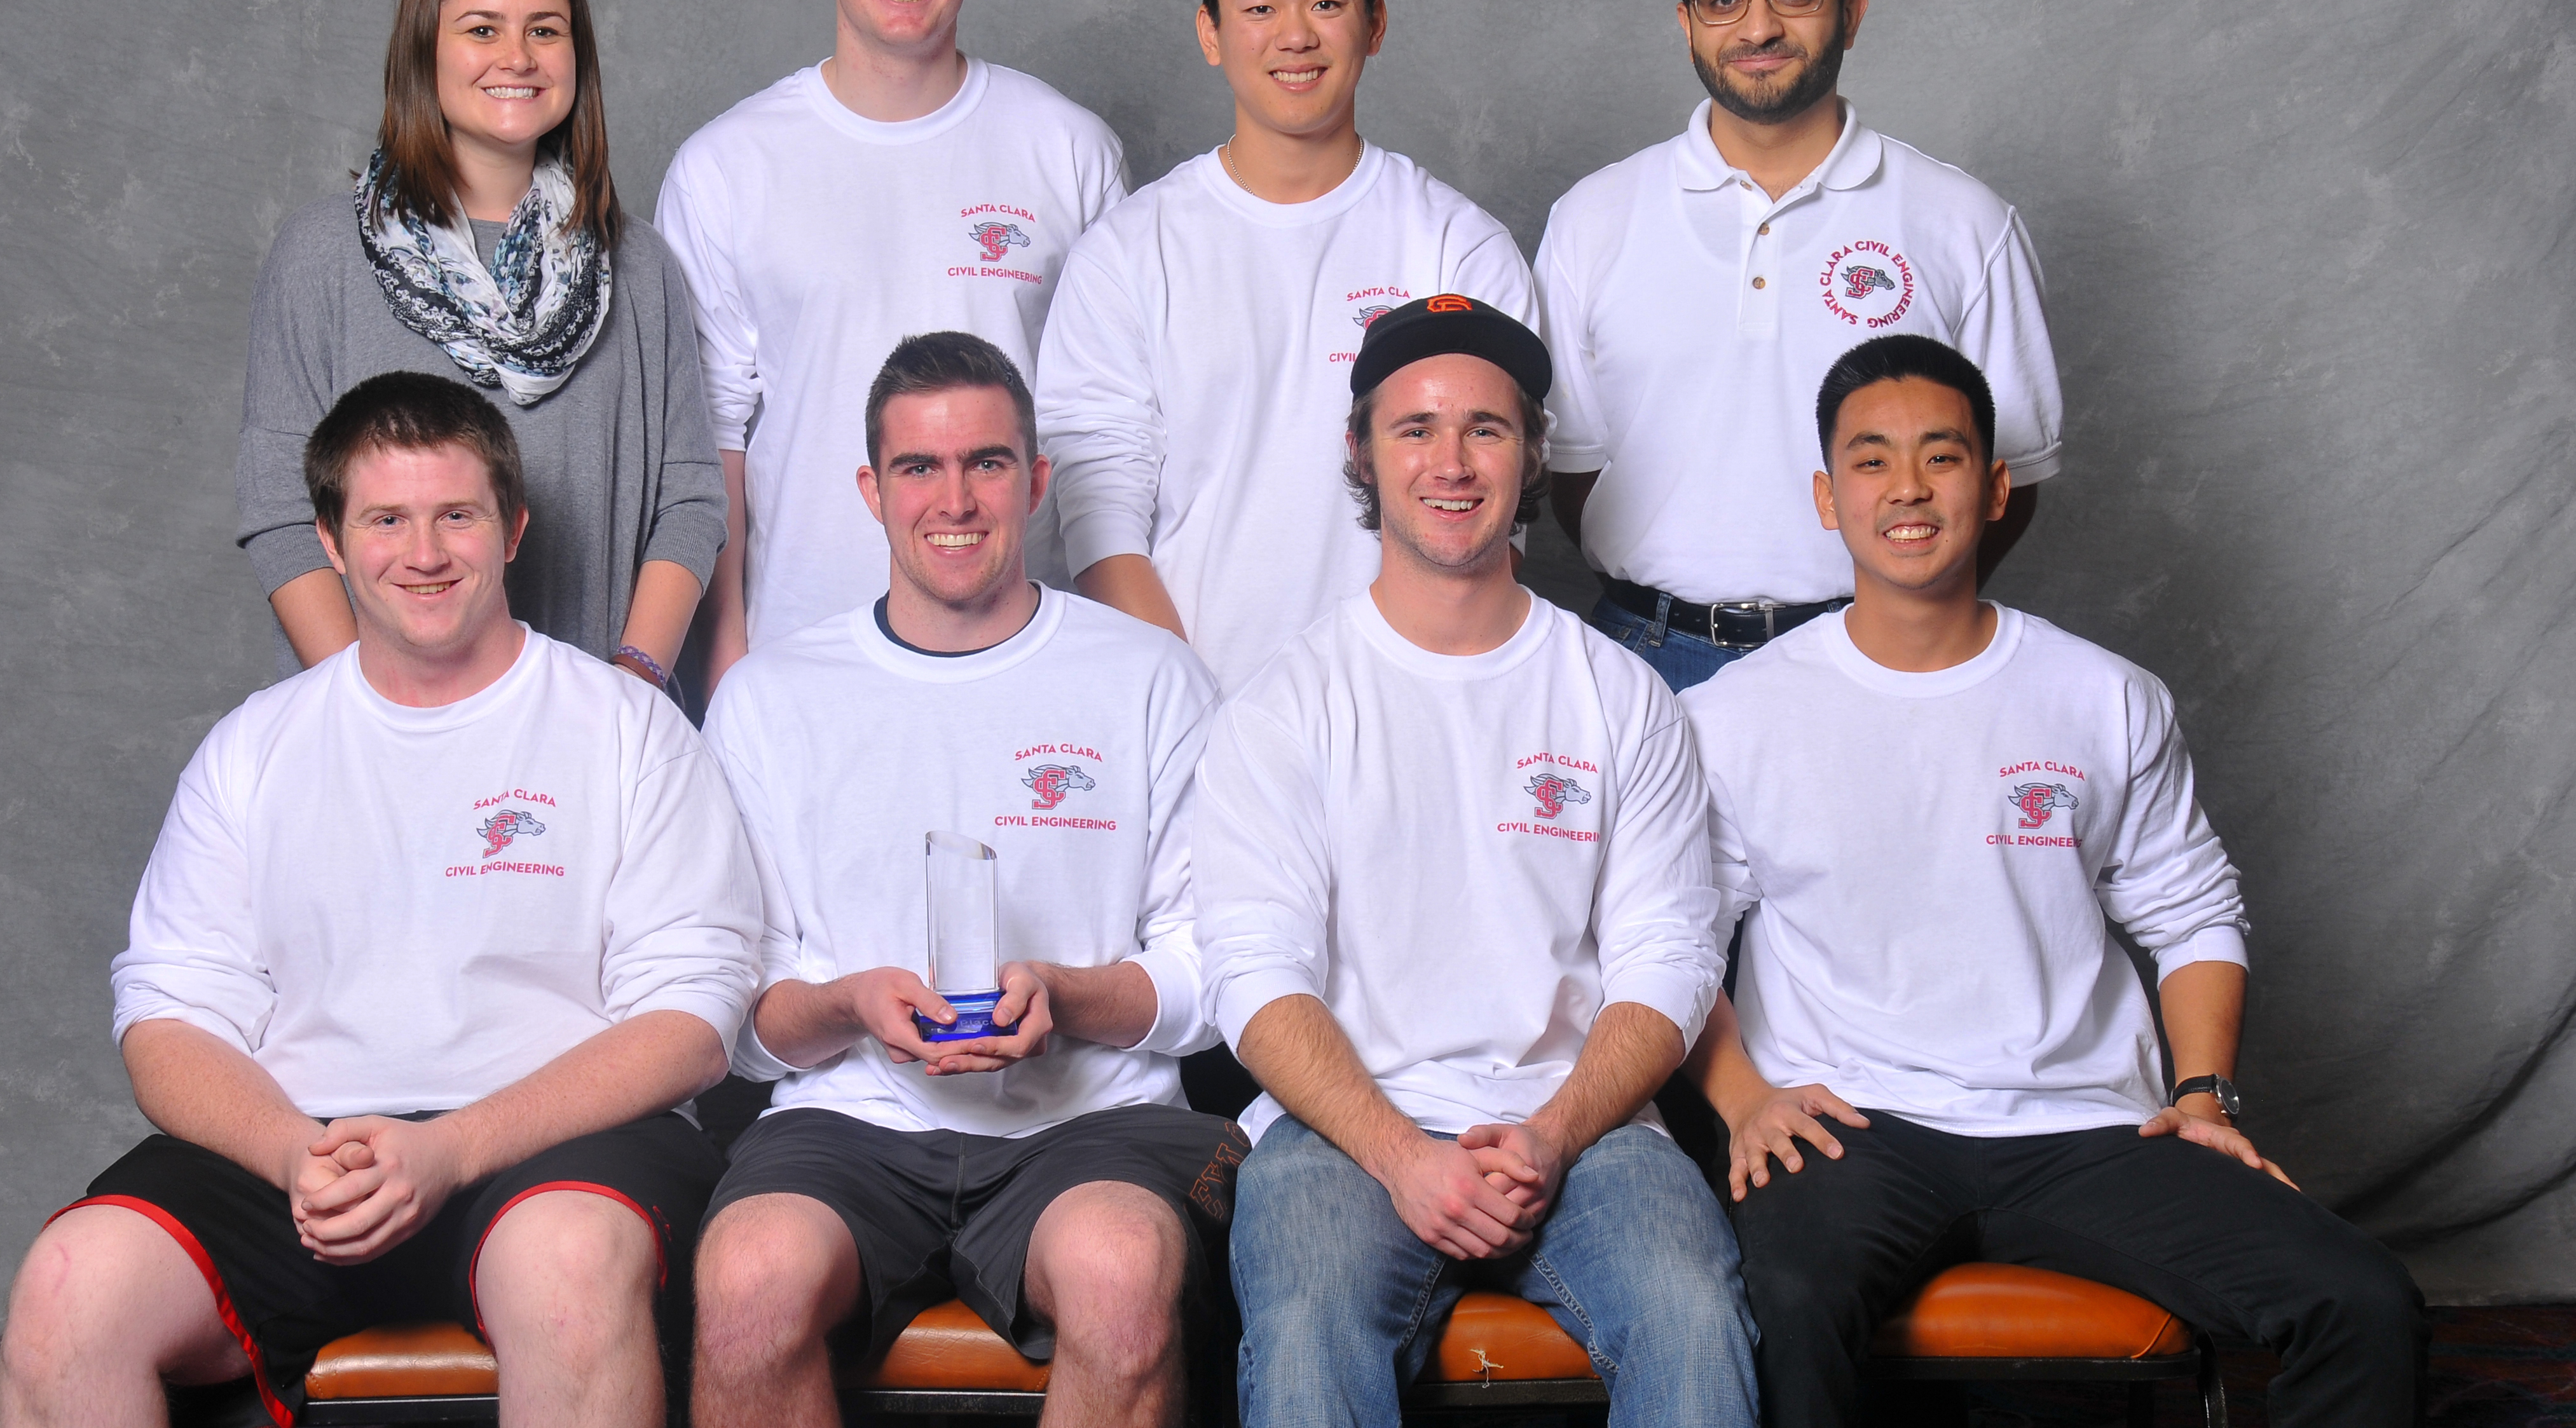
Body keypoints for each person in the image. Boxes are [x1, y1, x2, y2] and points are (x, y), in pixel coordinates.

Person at [1678, 335, 2426, 1426]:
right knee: (1779, 1304)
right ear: (1825, 495)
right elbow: (1673, 939)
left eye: (1939, 457)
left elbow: (2193, 908)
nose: (1905, 488)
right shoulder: (1733, 714)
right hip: (1846, 1123)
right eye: (1870, 459)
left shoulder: (2102, 694)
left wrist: (2201, 1092)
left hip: (2084, 1127)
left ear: (1990, 488)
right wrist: (1743, 1100)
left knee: (2360, 1300)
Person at [0, 372, 764, 1428]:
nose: (425, 550)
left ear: (512, 528)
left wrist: (451, 1147)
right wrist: (291, 1154)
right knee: (68, 1284)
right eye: (386, 519)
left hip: (555, 1144)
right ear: (330, 537)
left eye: (457, 513)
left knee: (568, 1269)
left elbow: (693, 1019)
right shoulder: (254, 748)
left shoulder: (625, 730)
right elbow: (169, 1011)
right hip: (307, 1146)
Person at [1194, 296, 1758, 1425]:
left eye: (1485, 430)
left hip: (1585, 1129)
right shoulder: (1285, 705)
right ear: (1360, 450)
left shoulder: (1618, 695)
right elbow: (1253, 977)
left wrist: (1553, 1131)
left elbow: (1669, 959)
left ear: (1532, 452)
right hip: (1344, 1132)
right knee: (1305, 1343)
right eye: (1414, 428)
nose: (1449, 462)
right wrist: (1403, 1155)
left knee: (1694, 1321)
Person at [692, 333, 1243, 1428]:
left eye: (987, 461)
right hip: (849, 1119)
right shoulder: (770, 698)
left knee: (1122, 1272)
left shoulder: (1149, 678)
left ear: (1036, 480)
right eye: (918, 467)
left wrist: (1068, 993)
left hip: (1093, 1123)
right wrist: (849, 1003)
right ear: (871, 489)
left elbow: (1216, 973)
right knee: (749, 1279)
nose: (955, 496)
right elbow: (737, 1020)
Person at [1535, 0, 2062, 691]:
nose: (1757, 26)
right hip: (1640, 660)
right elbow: (1570, 462)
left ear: (1850, 11)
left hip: (1869, 658)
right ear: (1686, 20)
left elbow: (2010, 478)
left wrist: (1897, 619)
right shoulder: (1593, 219)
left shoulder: (1962, 223)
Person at [658, 0, 1128, 683]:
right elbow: (711, 435)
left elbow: (1110, 421)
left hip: (1034, 650)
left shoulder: (1069, 152)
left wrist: (1112, 650)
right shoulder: (728, 166)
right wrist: (726, 661)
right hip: (804, 650)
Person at [1038, 0, 1537, 691]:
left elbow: (1494, 513)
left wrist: (1416, 695)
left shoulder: (1456, 246)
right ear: (1211, 30)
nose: (1294, 37)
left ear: (1374, 23)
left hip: (1411, 701)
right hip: (1193, 712)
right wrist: (1196, 714)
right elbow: (1100, 519)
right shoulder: (1130, 251)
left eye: (1326, 2)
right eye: (1260, 6)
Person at [239, 0, 725, 689]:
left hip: (587, 731)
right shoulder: (322, 256)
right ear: (424, 51)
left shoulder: (639, 268)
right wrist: (375, 709)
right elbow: (280, 513)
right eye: (481, 29)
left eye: (544, 31)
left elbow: (691, 503)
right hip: (374, 734)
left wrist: (626, 692)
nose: (517, 58)